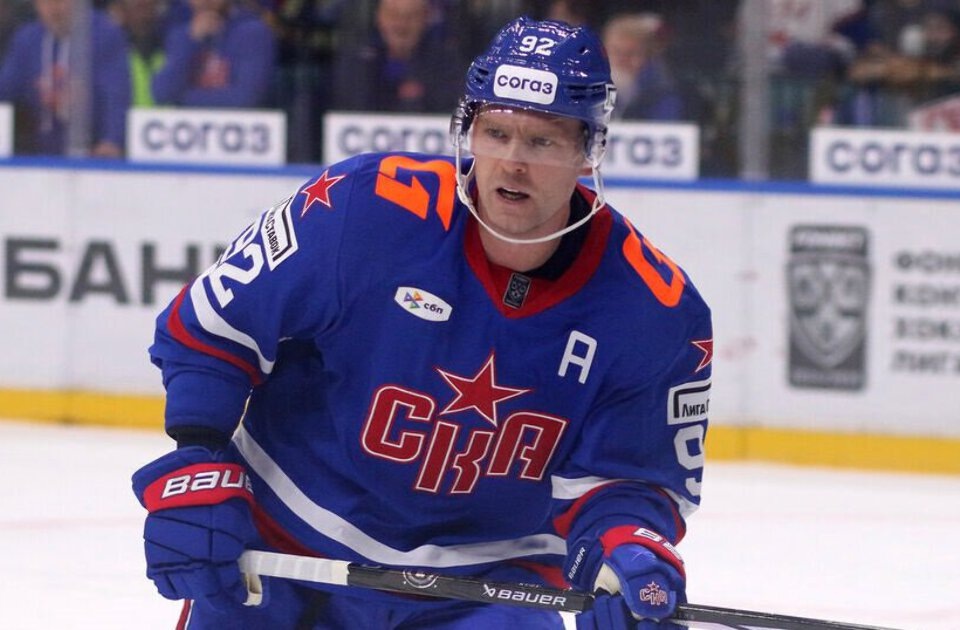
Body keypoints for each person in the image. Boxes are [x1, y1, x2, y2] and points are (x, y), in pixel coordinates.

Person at [131, 15, 712, 630]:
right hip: (284, 551)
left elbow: (629, 482)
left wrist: (626, 552)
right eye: (496, 132)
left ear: (588, 150)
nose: (512, 163)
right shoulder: (363, 207)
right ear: (468, 130)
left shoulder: (654, 309)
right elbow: (213, 330)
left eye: (542, 141)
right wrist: (197, 460)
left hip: (486, 589)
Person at [0, 0, 130, 156]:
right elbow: (6, 88)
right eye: (46, 3)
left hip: (93, 150)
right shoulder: (27, 39)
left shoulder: (105, 34)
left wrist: (112, 140)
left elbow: (116, 94)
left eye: (61, 1)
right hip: (41, 151)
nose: (54, 9)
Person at [331, 0, 462, 113]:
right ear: (379, 18)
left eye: (411, 17)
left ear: (426, 18)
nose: (401, 25)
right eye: (393, 15)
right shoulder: (356, 63)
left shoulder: (446, 65)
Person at [151, 0, 276, 107]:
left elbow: (246, 97)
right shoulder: (180, 35)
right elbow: (161, 93)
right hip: (187, 125)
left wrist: (180, 99)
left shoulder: (253, 33)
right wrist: (191, 41)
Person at [601, 11, 685, 121]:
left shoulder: (662, 94)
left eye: (631, 54)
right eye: (616, 52)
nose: (622, 60)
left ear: (649, 56)